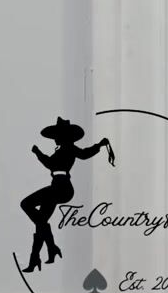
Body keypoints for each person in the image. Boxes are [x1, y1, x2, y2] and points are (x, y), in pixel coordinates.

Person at [20, 117, 115, 273]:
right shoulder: (62, 149)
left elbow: (80, 155)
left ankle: (49, 249)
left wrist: (38, 152)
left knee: (26, 204)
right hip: (55, 187)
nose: (55, 139)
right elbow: (56, 162)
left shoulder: (69, 148)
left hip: (62, 188)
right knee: (41, 222)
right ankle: (39, 256)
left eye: (57, 136)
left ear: (63, 136)